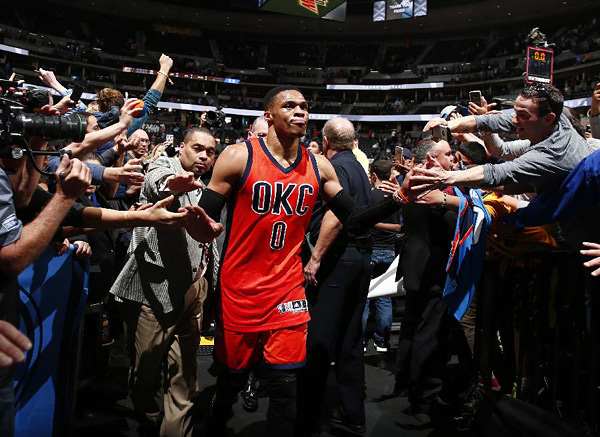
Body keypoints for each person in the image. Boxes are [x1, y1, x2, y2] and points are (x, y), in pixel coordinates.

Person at [183, 86, 408, 436]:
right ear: (269, 116)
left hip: (288, 288)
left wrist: (400, 198)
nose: (300, 111)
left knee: (286, 384)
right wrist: (196, 224)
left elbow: (353, 219)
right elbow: (204, 220)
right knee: (231, 381)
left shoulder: (319, 165)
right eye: (289, 105)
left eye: (304, 106)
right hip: (241, 286)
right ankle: (215, 424)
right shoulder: (238, 156)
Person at [110, 127, 218, 436]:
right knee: (145, 374)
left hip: (194, 288)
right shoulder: (165, 166)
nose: (204, 156)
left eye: (210, 152)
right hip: (154, 292)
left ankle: (175, 431)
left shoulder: (205, 184)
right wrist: (174, 184)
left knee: (186, 374)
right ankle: (151, 419)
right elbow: (157, 182)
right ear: (181, 147)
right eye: (197, 148)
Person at [298, 117, 374, 436]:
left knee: (319, 341)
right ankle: (353, 414)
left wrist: (315, 258)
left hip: (339, 260)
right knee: (350, 341)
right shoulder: (357, 166)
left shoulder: (337, 167)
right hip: (360, 259)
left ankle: (306, 419)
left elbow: (336, 214)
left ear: (326, 141)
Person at [412, 84, 594, 194]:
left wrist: (449, 177)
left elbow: (498, 173)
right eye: (515, 112)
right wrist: (447, 125)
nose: (514, 120)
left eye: (522, 115)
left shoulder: (553, 154)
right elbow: (490, 120)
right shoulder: (556, 119)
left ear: (548, 119)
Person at [362, 159, 402, 353]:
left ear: (373, 175)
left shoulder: (368, 195)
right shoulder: (396, 197)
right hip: (389, 250)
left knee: (364, 297)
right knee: (384, 297)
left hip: (370, 249)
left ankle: (360, 340)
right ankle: (382, 341)